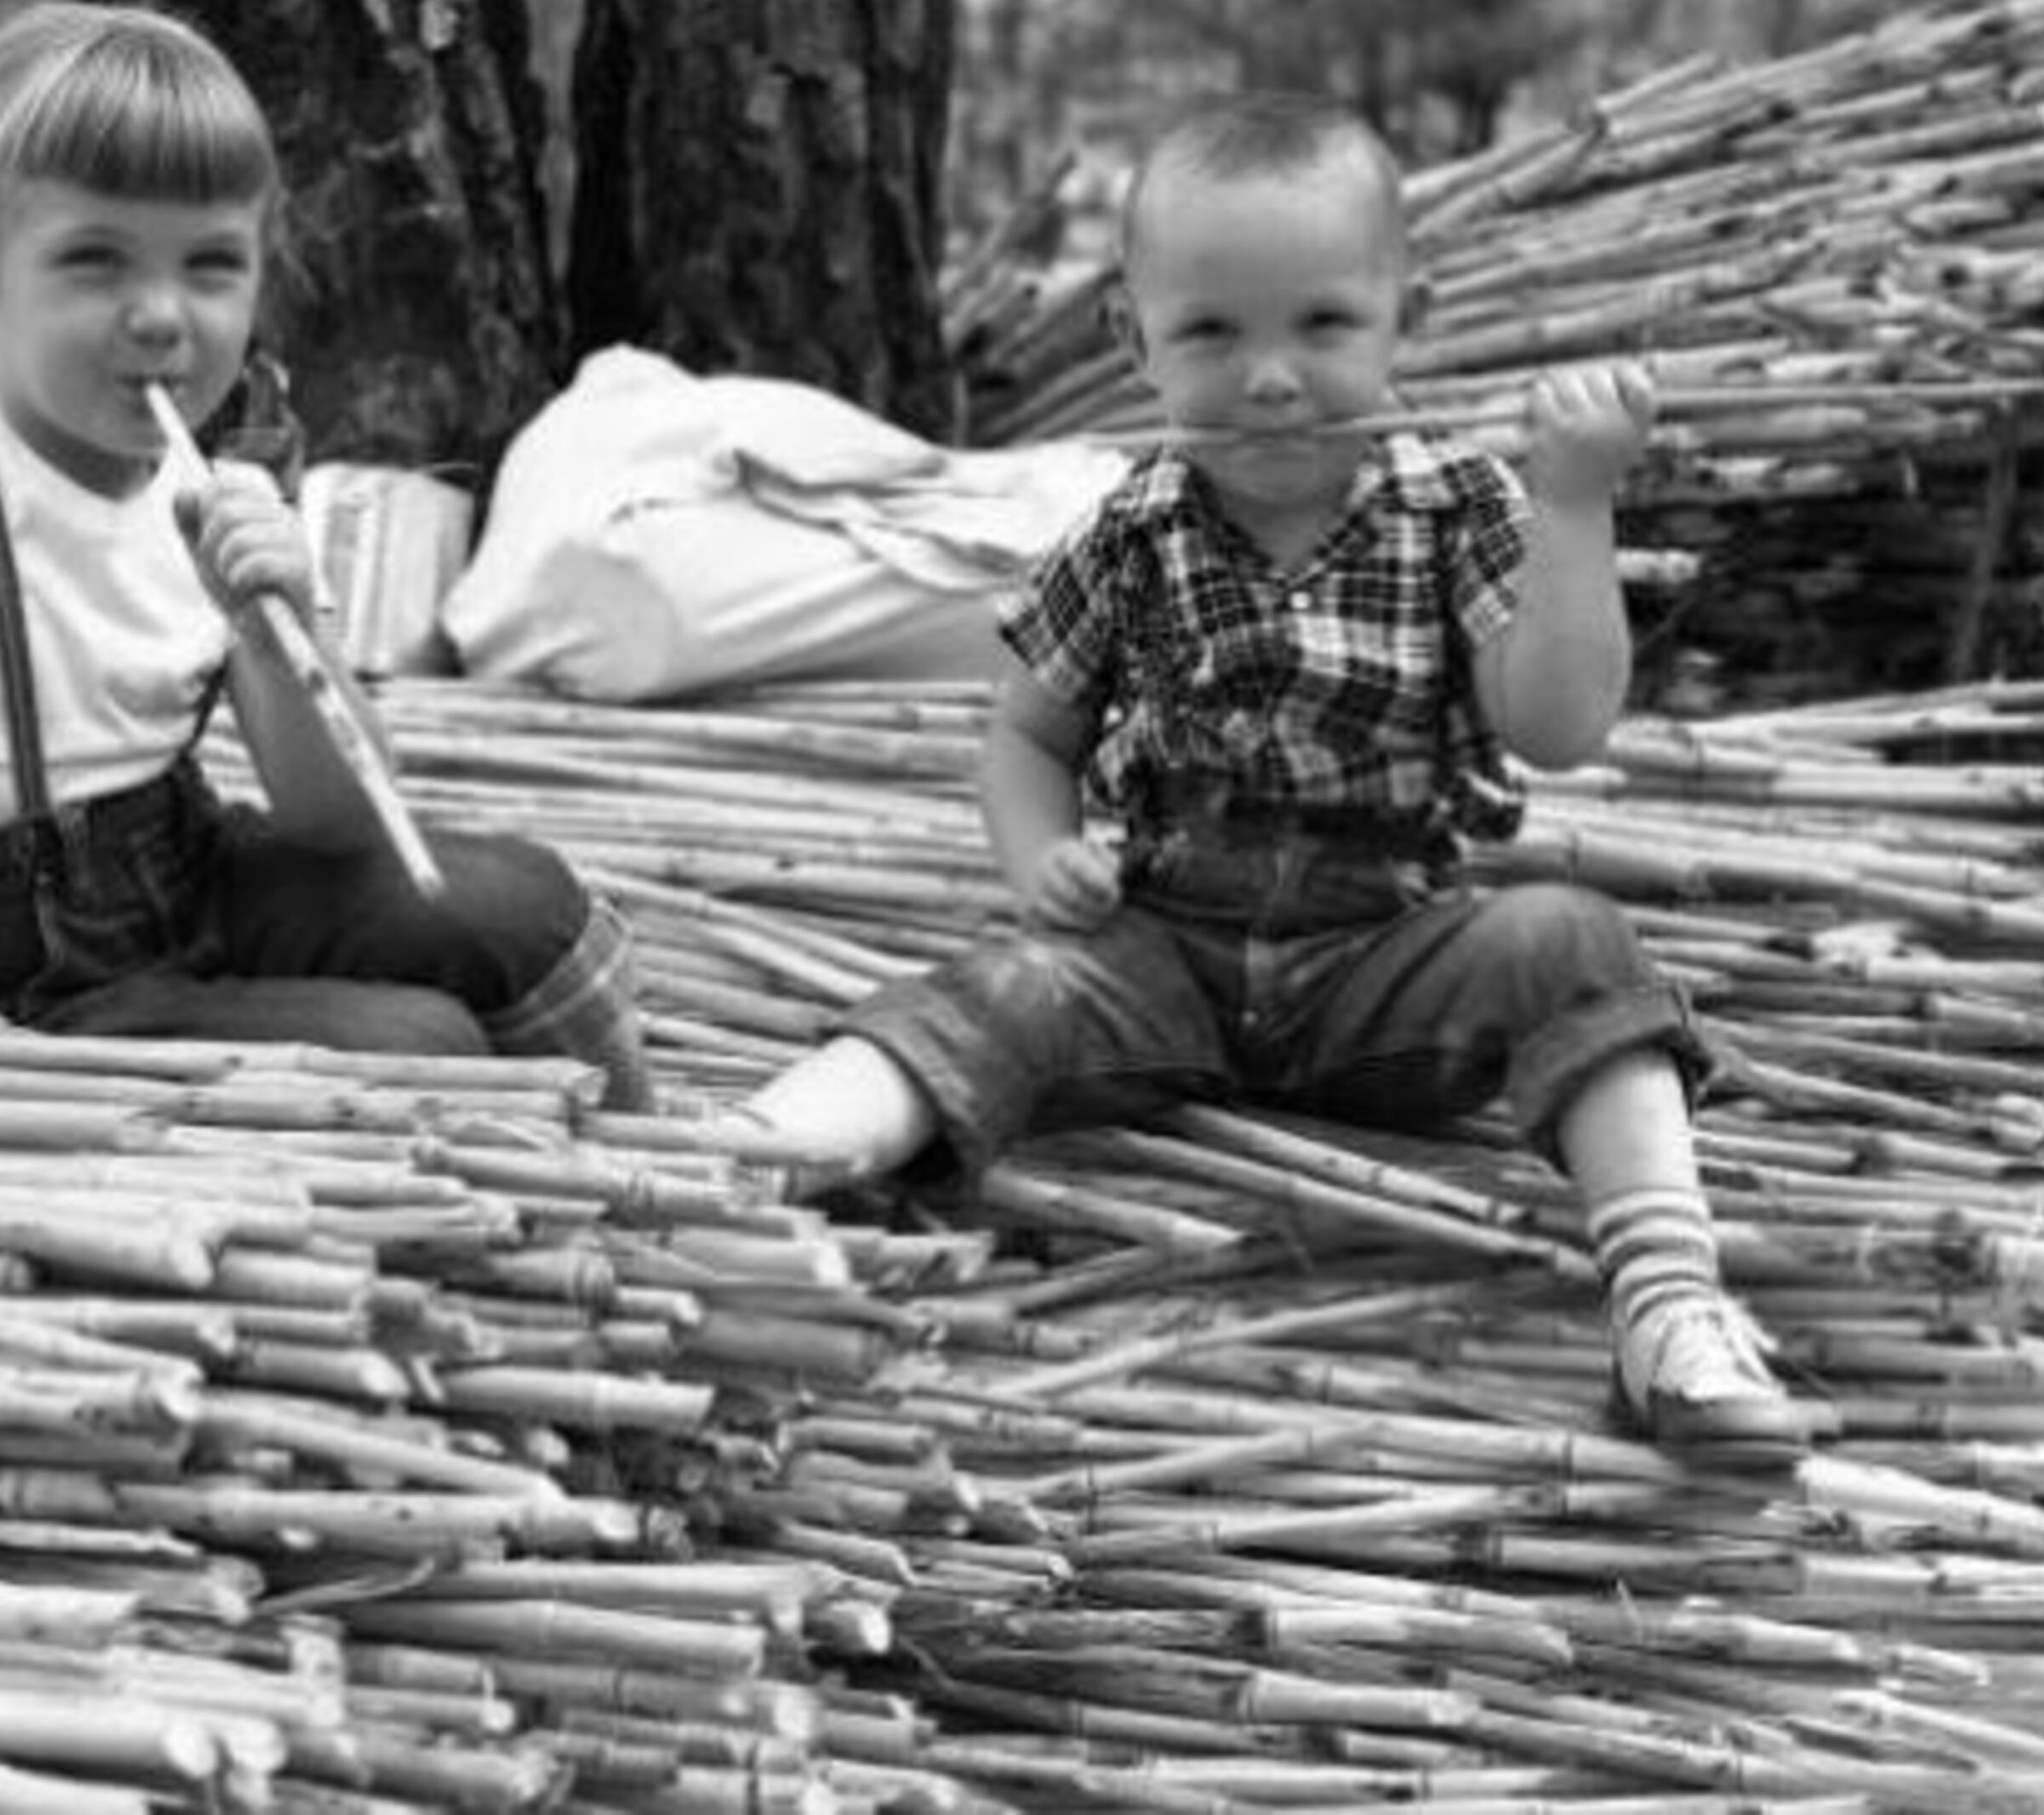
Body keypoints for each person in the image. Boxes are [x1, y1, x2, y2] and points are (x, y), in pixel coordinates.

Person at [741, 92, 1822, 1462]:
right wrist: (1041, 864)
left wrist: (1574, 507)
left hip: (1387, 960)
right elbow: (1026, 738)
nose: (1269, 377)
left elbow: (1557, 726)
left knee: (1575, 943)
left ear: (1402, 319)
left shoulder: (1461, 508)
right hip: (1164, 955)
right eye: (1212, 332)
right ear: (1133, 343)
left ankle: (1669, 1302)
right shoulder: (1133, 529)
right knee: (1001, 982)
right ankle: (757, 1164)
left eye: (1322, 325)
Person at [0, 0, 650, 1108]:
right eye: (96, 260)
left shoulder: (207, 488)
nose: (164, 314)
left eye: (211, 264)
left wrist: (279, 628)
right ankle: (528, 1193)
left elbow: (340, 822)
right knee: (420, 1045)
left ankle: (660, 1178)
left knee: (521, 903)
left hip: (187, 877)